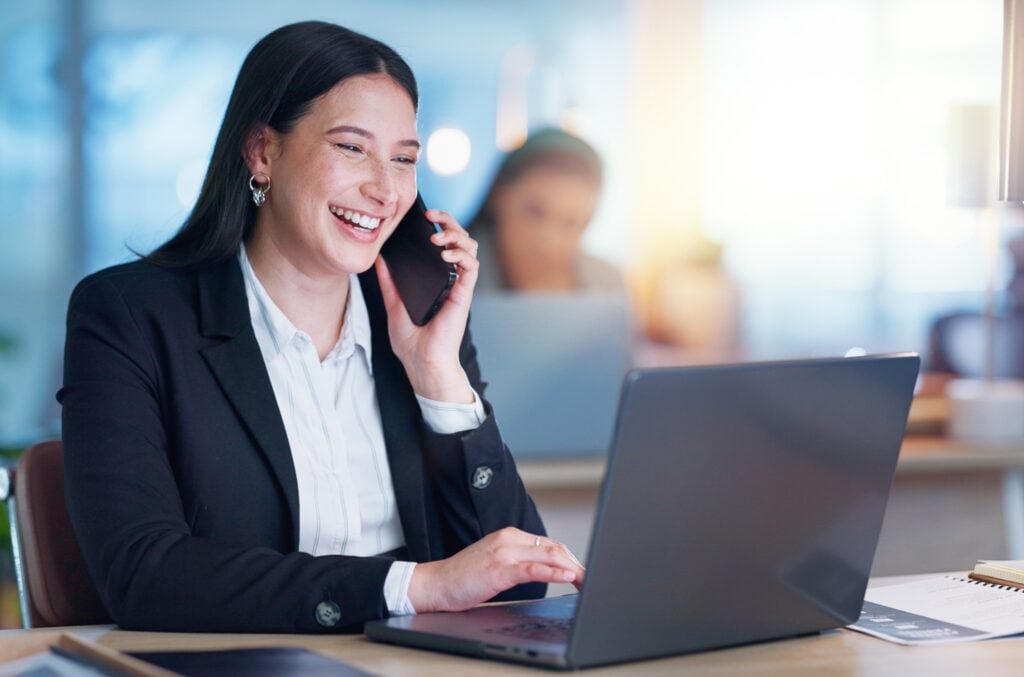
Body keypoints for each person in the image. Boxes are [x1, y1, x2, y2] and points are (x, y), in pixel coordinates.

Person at [58, 21, 583, 634]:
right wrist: (417, 586)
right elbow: (144, 576)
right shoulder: (129, 316)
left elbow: (519, 581)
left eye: (404, 159)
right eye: (351, 147)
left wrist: (439, 377)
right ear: (262, 151)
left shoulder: (418, 318)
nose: (385, 189)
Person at [468, 128, 623, 292]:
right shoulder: (448, 277)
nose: (547, 240)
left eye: (571, 223)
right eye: (534, 212)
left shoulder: (608, 284)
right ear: (498, 195)